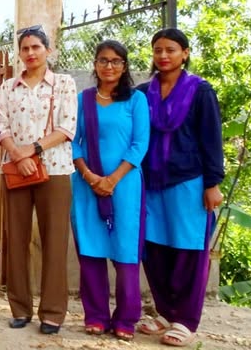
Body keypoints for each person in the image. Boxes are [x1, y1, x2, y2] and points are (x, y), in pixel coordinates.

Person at [135, 28, 224, 347]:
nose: (163, 56)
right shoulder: (144, 93)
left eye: (170, 50)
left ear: (184, 53)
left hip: (189, 182)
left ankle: (185, 320)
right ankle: (164, 311)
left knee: (187, 249)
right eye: (158, 50)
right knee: (154, 247)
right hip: (151, 183)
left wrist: (213, 183)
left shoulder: (200, 91)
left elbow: (212, 139)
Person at [0, 25, 77, 335]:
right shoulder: (7, 88)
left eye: (36, 48)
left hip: (54, 170)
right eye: (25, 48)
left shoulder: (64, 84)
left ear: (48, 51)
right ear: (19, 53)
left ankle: (53, 312)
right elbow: (0, 126)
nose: (30, 53)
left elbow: (67, 127)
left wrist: (33, 150)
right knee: (15, 239)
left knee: (54, 240)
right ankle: (19, 307)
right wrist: (19, 156)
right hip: (15, 171)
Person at [71, 40, 150, 341]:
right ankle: (96, 315)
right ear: (94, 64)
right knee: (91, 249)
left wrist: (112, 179)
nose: (109, 66)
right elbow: (74, 140)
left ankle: (126, 318)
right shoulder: (84, 99)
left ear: (125, 66)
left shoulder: (136, 101)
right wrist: (91, 176)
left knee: (125, 250)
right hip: (86, 183)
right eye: (103, 60)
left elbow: (140, 144)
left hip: (126, 185)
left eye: (116, 61)